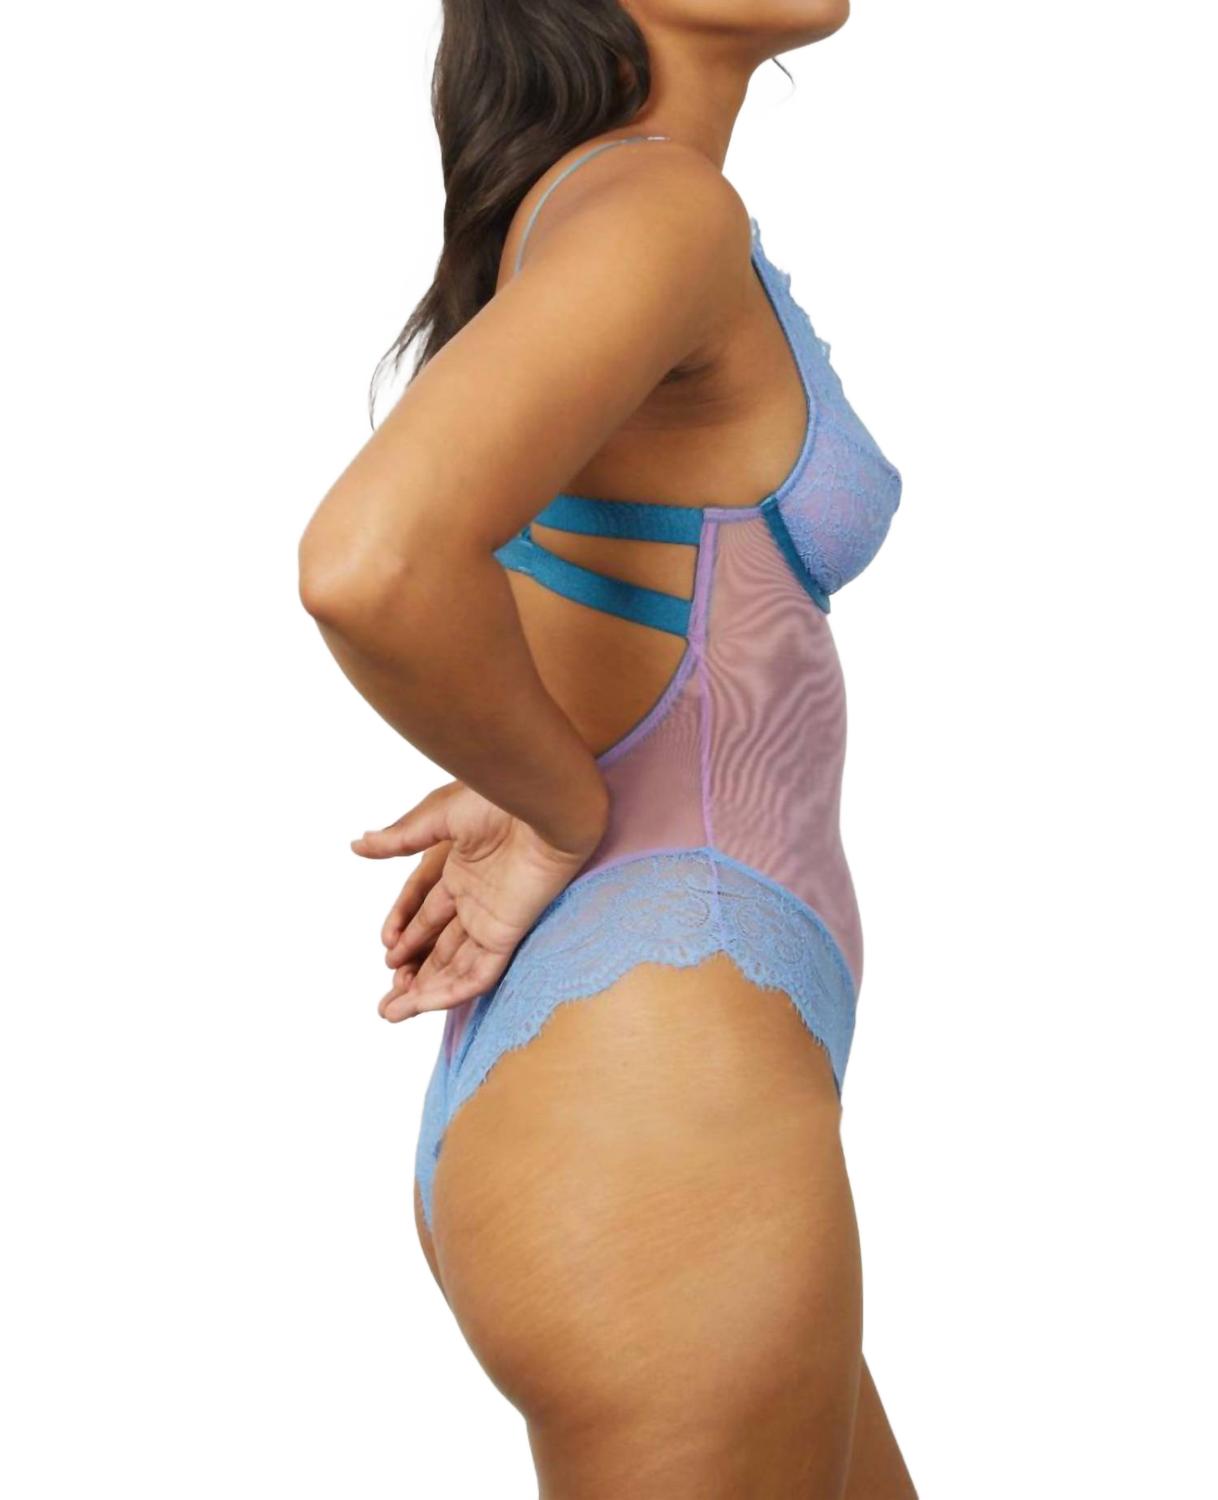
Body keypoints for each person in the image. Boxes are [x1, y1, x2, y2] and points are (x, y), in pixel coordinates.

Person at [298, 1, 916, 1493]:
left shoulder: (616, 203)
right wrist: (558, 805)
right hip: (657, 1085)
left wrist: (537, 773)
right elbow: (371, 562)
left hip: (672, 1071)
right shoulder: (656, 206)